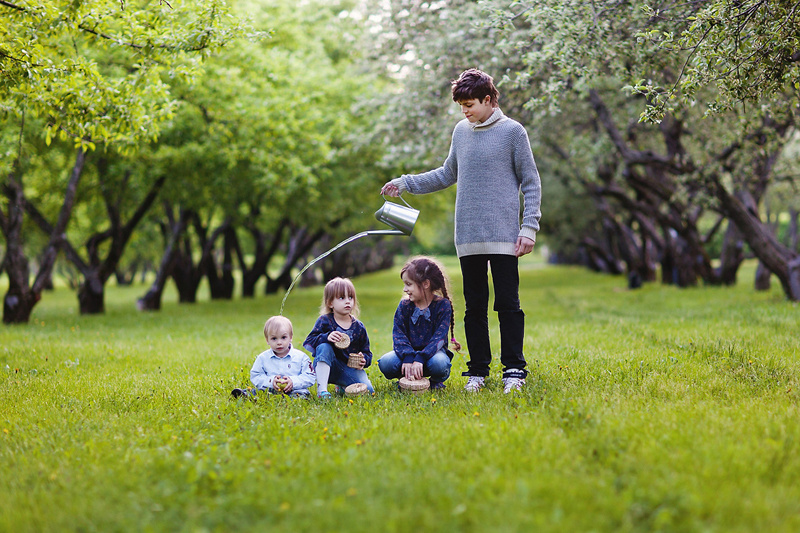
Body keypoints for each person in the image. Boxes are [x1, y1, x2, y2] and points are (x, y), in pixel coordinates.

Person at [380, 68, 542, 394]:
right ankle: (478, 370)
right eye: (461, 105)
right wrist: (405, 182)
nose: (465, 110)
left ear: (488, 99)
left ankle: (514, 369)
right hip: (468, 236)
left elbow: (531, 181)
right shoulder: (461, 131)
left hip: (505, 236)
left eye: (470, 104)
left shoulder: (513, 132)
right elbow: (446, 173)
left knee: (508, 304)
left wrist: (529, 227)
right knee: (474, 307)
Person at [378, 256, 461, 390]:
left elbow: (438, 339)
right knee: (386, 362)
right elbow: (398, 335)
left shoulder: (442, 306)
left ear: (426, 284)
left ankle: (436, 381)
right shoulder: (404, 305)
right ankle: (405, 378)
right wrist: (408, 356)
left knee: (439, 364)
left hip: (432, 355)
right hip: (407, 355)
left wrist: (420, 358)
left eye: (409, 284)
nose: (405, 289)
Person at [303, 277, 374, 398]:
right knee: (324, 347)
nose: (347, 301)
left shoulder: (358, 327)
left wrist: (364, 360)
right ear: (330, 303)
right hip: (326, 365)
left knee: (368, 390)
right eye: (342, 298)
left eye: (350, 297)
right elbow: (309, 341)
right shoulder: (324, 321)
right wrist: (327, 337)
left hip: (347, 368)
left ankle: (342, 386)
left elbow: (367, 352)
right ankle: (322, 391)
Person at [231, 315, 316, 399]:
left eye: (283, 337)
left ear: (290, 338)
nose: (279, 342)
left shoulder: (301, 357)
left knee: (300, 393)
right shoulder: (263, 358)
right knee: (259, 391)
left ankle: (295, 398)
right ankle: (244, 395)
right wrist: (271, 381)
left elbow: (310, 376)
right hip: (270, 389)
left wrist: (293, 382)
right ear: (267, 340)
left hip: (295, 389)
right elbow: (256, 376)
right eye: (274, 338)